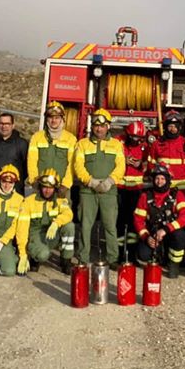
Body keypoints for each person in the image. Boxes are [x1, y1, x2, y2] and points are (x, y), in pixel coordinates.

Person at [73, 109, 125, 266]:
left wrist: (110, 181)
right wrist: (91, 181)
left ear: (108, 126)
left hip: (109, 191)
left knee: (110, 226)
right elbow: (78, 166)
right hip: (88, 191)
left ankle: (113, 258)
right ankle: (83, 257)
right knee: (85, 226)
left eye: (102, 125)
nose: (99, 129)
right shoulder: (82, 144)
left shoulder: (116, 145)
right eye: (96, 125)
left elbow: (121, 166)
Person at [133, 164, 185, 278]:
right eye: (157, 178)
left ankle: (173, 264)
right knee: (143, 255)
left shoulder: (177, 195)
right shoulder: (145, 196)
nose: (159, 182)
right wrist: (146, 237)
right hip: (153, 234)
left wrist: (166, 229)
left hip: (170, 234)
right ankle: (159, 256)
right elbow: (138, 220)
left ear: (168, 180)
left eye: (163, 178)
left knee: (180, 235)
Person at [15, 169, 76, 274]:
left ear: (55, 188)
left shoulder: (60, 201)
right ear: (39, 187)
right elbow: (22, 229)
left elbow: (68, 214)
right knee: (43, 255)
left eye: (50, 188)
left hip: (52, 235)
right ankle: (35, 257)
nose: (47, 191)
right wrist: (23, 254)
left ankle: (66, 260)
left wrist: (56, 223)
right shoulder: (29, 202)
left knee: (69, 226)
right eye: (44, 187)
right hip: (36, 236)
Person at [117, 120, 150, 260]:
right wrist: (122, 159)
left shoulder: (145, 145)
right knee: (119, 222)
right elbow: (110, 155)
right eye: (134, 137)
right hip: (119, 189)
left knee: (134, 223)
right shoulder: (118, 142)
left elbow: (150, 162)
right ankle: (119, 253)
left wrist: (142, 164)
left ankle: (131, 253)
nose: (136, 140)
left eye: (139, 138)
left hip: (136, 190)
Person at [27, 101, 77, 189]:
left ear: (62, 119)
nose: (53, 120)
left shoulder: (71, 139)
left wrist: (66, 185)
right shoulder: (37, 137)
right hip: (41, 186)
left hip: (61, 187)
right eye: (50, 117)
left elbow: (71, 165)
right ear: (46, 119)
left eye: (57, 117)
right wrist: (34, 180)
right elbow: (32, 161)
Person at [149, 110, 185, 192]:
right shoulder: (157, 144)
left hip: (182, 188)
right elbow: (151, 166)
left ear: (179, 127)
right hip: (162, 188)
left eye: (175, 126)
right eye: (170, 126)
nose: (172, 129)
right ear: (165, 127)